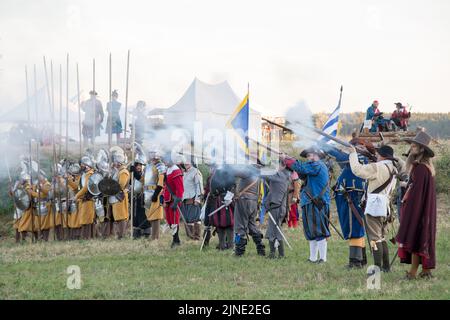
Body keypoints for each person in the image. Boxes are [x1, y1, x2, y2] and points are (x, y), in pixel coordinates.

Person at [326, 138, 376, 268]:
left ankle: (355, 262)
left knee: (354, 227)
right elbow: (342, 161)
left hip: (352, 195)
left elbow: (340, 156)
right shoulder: (357, 158)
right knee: (357, 227)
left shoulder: (358, 156)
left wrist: (326, 146)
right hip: (352, 195)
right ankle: (361, 259)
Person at [348, 144, 398, 272]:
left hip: (375, 205)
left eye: (378, 154)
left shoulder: (378, 167)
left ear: (382, 156)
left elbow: (357, 170)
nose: (376, 155)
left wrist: (353, 154)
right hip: (386, 206)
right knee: (381, 237)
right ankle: (386, 267)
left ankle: (377, 267)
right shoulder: (393, 167)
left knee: (375, 239)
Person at [395, 131, 437, 280]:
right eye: (412, 144)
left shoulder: (420, 169)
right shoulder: (424, 168)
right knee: (422, 237)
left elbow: (417, 194)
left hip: (418, 209)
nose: (411, 147)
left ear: (421, 149)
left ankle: (412, 273)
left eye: (415, 145)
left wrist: (410, 210)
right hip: (424, 209)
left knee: (415, 237)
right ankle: (425, 271)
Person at [284, 147, 331, 263]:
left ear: (317, 156)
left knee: (319, 231)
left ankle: (322, 258)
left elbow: (300, 167)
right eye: (308, 156)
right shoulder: (313, 167)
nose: (309, 158)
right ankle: (313, 258)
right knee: (310, 232)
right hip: (310, 202)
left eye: (311, 155)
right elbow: (301, 172)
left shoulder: (317, 165)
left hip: (317, 202)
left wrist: (287, 159)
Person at [233, 164, 265, 257]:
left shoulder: (249, 171)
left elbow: (234, 172)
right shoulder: (257, 174)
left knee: (240, 226)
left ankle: (239, 252)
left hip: (244, 200)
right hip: (253, 202)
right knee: (252, 226)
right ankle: (260, 248)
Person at [262, 159, 292, 259]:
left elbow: (263, 174)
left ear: (283, 166)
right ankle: (275, 253)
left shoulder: (280, 175)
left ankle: (278, 254)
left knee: (274, 230)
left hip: (276, 207)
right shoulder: (282, 175)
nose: (275, 167)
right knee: (273, 229)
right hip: (277, 207)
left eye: (277, 165)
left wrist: (258, 166)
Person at [203, 163, 235, 250]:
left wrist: (229, 197)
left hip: (227, 199)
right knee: (219, 223)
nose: (211, 168)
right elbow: (211, 189)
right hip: (217, 200)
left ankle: (231, 245)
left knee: (229, 223)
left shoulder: (228, 172)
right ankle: (222, 245)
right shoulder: (214, 174)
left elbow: (233, 185)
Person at [162, 154, 184, 248]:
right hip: (168, 199)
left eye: (167, 160)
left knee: (175, 220)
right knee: (170, 220)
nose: (165, 162)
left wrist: (177, 200)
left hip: (174, 199)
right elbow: (166, 186)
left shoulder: (176, 171)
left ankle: (175, 240)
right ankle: (177, 240)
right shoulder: (167, 170)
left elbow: (180, 188)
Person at [144, 150, 166, 241]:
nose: (151, 155)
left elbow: (161, 182)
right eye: (150, 153)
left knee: (155, 216)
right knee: (150, 215)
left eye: (153, 153)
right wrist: (136, 174)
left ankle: (155, 237)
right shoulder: (148, 166)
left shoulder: (160, 166)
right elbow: (143, 179)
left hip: (155, 192)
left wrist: (156, 193)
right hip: (147, 193)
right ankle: (152, 236)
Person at [180, 159, 204, 240]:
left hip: (193, 200)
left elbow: (199, 187)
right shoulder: (184, 173)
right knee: (188, 220)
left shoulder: (196, 172)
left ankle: (196, 237)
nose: (186, 162)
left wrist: (197, 199)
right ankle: (190, 237)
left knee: (194, 219)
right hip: (185, 200)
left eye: (188, 161)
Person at [109, 151, 130, 239]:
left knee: (121, 217)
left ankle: (122, 235)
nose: (114, 163)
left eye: (115, 161)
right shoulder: (118, 171)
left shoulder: (123, 172)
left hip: (120, 196)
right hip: (115, 196)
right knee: (117, 216)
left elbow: (120, 185)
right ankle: (119, 234)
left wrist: (111, 187)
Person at [75, 156, 96, 240]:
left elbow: (86, 188)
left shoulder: (90, 173)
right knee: (84, 219)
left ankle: (87, 238)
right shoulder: (84, 174)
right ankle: (86, 237)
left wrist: (76, 196)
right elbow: (78, 187)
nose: (81, 166)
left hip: (88, 199)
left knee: (87, 220)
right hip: (83, 200)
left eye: (82, 164)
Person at [129, 156, 150, 239]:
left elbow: (142, 180)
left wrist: (135, 173)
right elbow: (131, 183)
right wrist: (131, 174)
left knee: (143, 215)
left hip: (143, 197)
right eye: (137, 165)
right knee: (135, 215)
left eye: (140, 165)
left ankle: (146, 232)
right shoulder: (133, 175)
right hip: (135, 197)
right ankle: (137, 232)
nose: (138, 167)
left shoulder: (145, 174)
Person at [35, 170, 54, 242]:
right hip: (38, 205)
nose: (39, 177)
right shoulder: (38, 184)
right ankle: (41, 238)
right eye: (38, 176)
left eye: (40, 176)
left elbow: (43, 194)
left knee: (45, 224)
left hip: (45, 205)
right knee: (39, 223)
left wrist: (33, 192)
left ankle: (45, 239)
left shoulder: (47, 184)